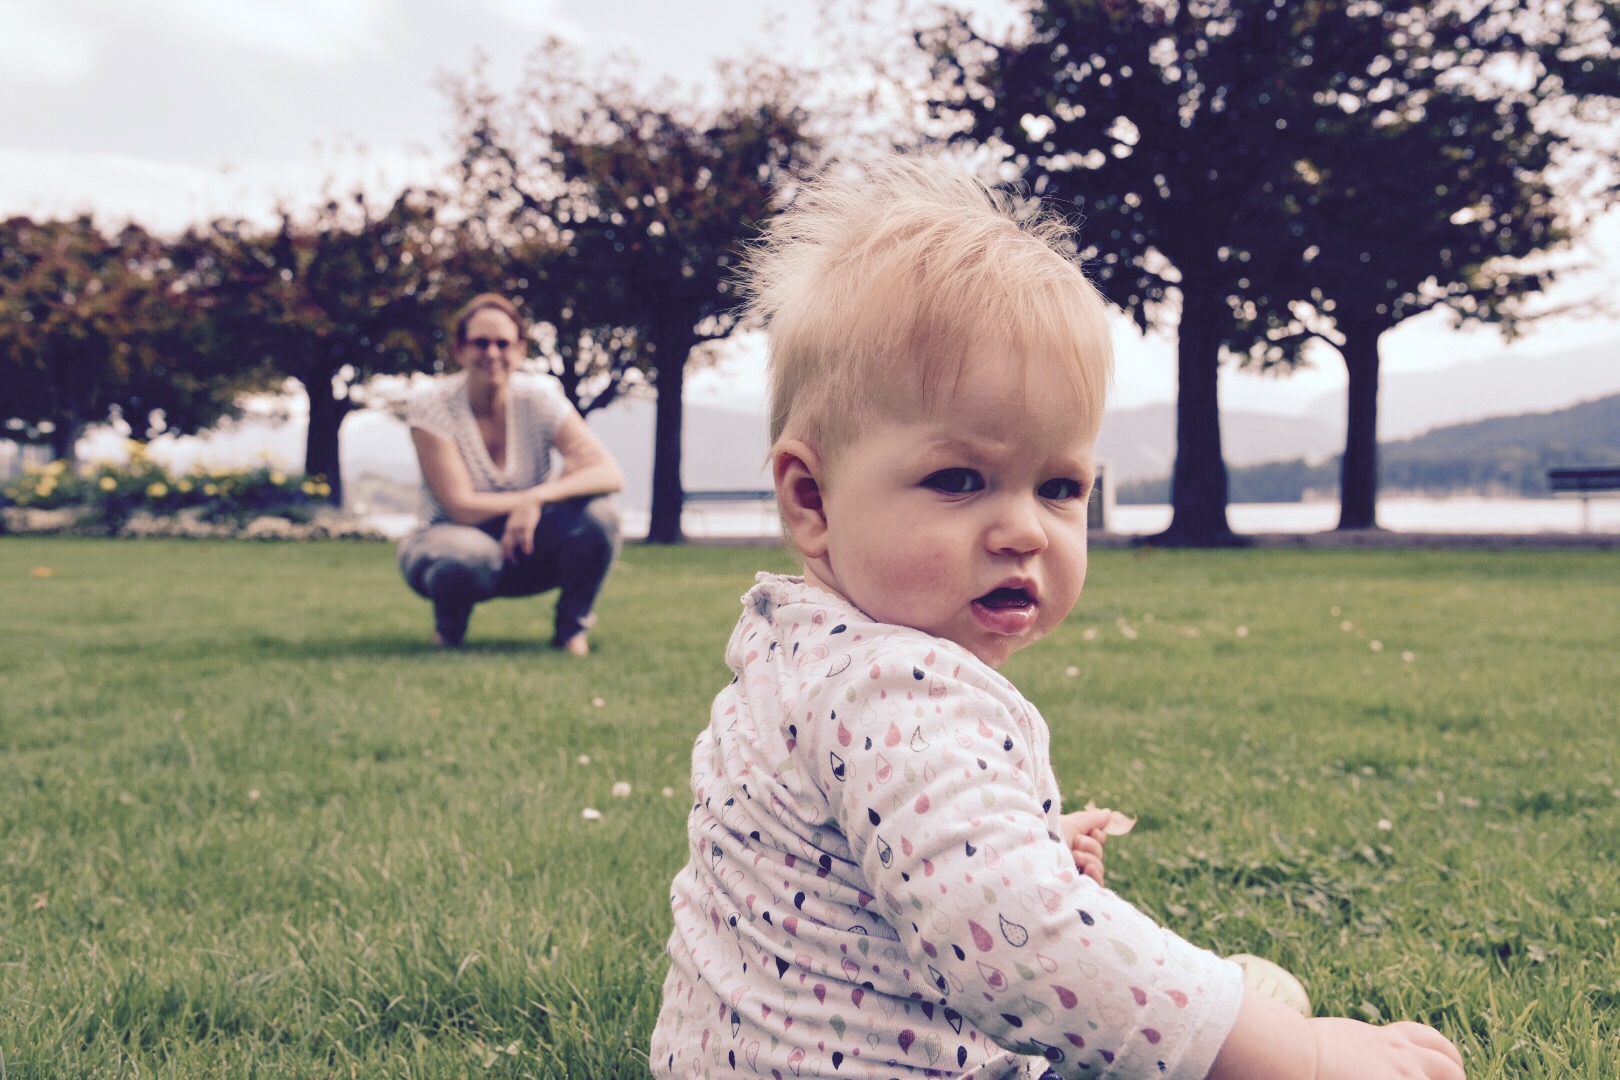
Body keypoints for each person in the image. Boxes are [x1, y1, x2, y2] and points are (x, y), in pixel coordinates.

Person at [649, 158, 1466, 1080]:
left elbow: (857, 859)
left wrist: (1020, 841)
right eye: (960, 478)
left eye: (1060, 487)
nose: (1025, 530)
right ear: (812, 498)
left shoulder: (792, 655)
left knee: (1232, 998)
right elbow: (1026, 945)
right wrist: (1306, 1056)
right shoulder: (895, 690)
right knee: (1241, 1025)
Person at [398, 294, 623, 654]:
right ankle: (449, 630)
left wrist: (538, 498)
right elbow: (461, 507)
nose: (492, 353)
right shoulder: (432, 404)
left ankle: (571, 632)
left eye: (503, 343)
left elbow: (608, 473)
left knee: (602, 516)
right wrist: (525, 502)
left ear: (520, 350)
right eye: (480, 343)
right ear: (459, 350)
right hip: (446, 542)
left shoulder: (539, 398)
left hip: (526, 541)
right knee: (467, 557)